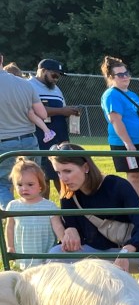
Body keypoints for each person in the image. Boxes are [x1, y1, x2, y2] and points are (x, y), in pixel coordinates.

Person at [47, 143, 139, 284]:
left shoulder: (117, 186)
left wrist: (126, 252)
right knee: (55, 255)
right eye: (58, 172)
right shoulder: (68, 194)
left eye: (68, 171)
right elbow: (71, 226)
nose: (63, 178)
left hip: (126, 252)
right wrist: (69, 229)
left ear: (85, 167)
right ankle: (84, 293)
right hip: (92, 255)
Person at [99, 56, 139, 203]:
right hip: (126, 143)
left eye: (126, 73)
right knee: (135, 176)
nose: (125, 77)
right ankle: (135, 211)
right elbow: (115, 120)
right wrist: (128, 143)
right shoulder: (111, 95)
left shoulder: (132, 94)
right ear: (111, 77)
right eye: (120, 75)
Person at [0, 50, 50, 207]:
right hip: (30, 140)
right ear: (2, 59)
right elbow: (42, 114)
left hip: (4, 143)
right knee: (35, 182)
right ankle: (36, 215)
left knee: (2, 184)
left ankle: (15, 216)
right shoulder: (25, 84)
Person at [31, 59, 82, 192]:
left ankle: (66, 204)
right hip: (40, 137)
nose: (56, 79)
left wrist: (70, 112)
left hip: (60, 137)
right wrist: (61, 111)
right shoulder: (29, 85)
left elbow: (62, 109)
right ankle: (43, 206)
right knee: (43, 177)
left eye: (58, 76)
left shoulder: (56, 89)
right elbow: (33, 110)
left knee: (63, 174)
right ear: (43, 71)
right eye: (54, 75)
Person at [4, 157, 59, 269]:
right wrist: (10, 246)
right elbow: (9, 228)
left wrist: (64, 239)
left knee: (45, 274)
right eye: (19, 185)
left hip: (45, 253)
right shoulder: (13, 206)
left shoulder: (49, 206)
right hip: (24, 253)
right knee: (26, 276)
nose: (24, 188)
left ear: (40, 185)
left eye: (30, 184)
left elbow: (58, 226)